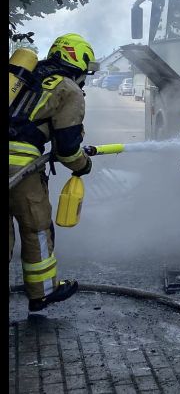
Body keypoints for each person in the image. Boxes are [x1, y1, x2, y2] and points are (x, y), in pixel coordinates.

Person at [9, 33, 97, 311]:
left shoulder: (23, 78)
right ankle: (43, 292)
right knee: (35, 228)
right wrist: (83, 165)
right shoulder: (67, 88)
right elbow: (68, 148)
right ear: (79, 58)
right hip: (20, 168)